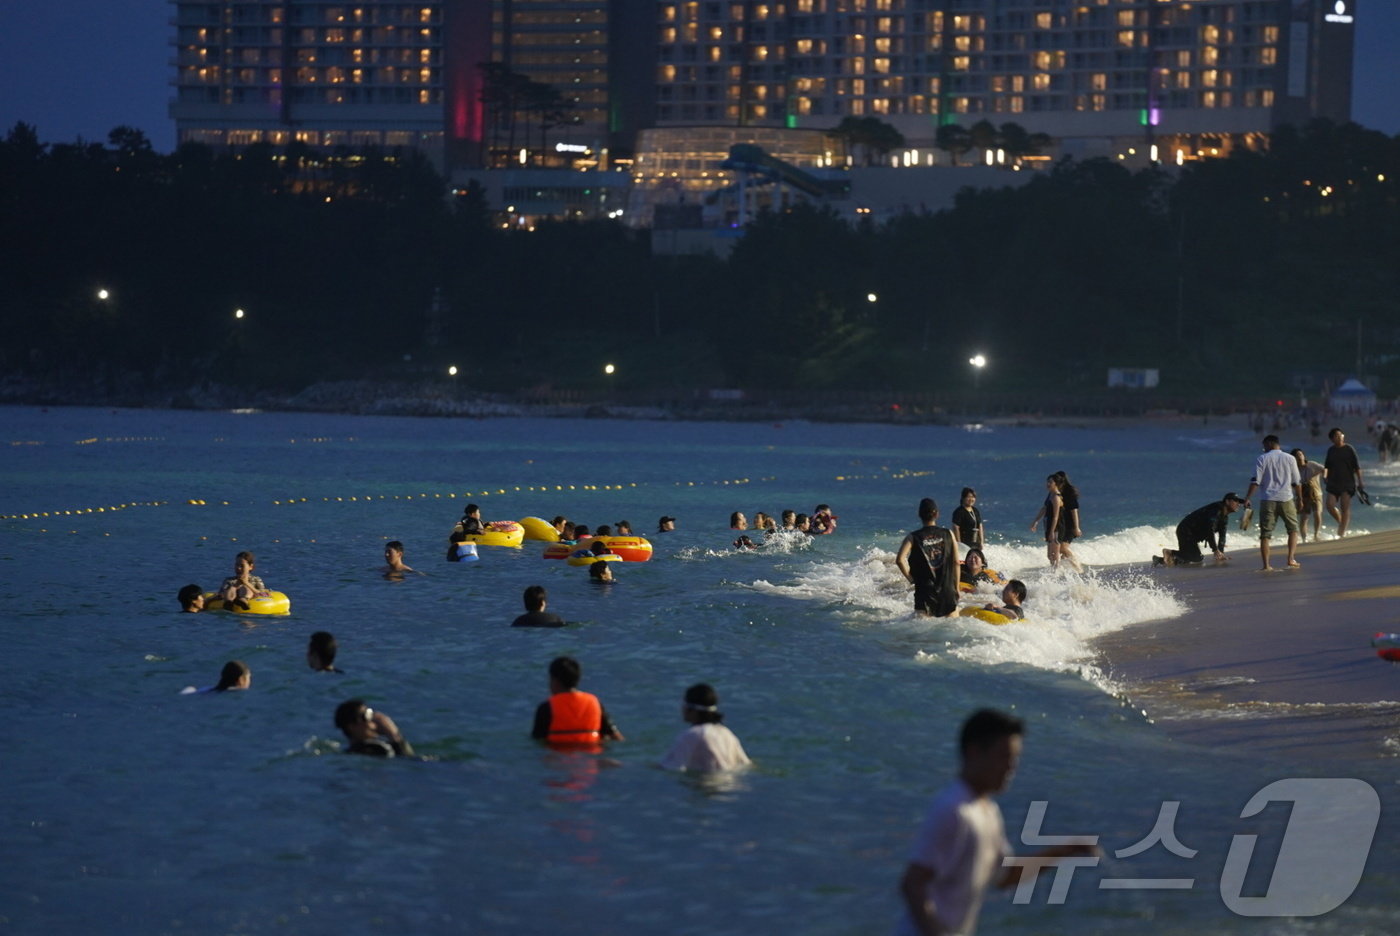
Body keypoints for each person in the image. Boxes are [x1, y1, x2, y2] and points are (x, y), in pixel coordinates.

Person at [895, 709, 1098, 936]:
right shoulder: (952, 810)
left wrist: (1063, 852)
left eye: (1014, 758)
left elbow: (1005, 875)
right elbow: (912, 884)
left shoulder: (988, 812)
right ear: (974, 753)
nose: (1011, 767)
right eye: (1004, 757)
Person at [531, 656, 624, 747]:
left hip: (559, 756)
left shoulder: (546, 707)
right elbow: (616, 736)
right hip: (592, 755)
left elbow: (538, 741)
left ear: (555, 680)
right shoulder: (595, 703)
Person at [659, 683, 752, 773]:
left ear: (691, 709)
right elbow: (744, 764)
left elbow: (672, 768)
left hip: (706, 785)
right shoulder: (727, 733)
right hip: (731, 784)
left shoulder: (691, 735)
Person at [1243, 434, 1303, 570]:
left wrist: (1248, 498)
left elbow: (1255, 481)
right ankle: (1291, 559)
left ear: (1269, 444)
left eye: (1264, 445)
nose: (1263, 449)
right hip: (1286, 499)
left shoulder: (1262, 459)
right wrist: (1300, 499)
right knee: (1293, 530)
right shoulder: (1290, 458)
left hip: (1267, 500)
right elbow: (1297, 482)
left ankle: (1266, 565)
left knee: (1265, 534)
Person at [895, 498, 960, 618]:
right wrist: (956, 588)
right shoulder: (948, 534)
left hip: (924, 592)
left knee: (924, 633)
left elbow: (899, 560)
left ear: (919, 515)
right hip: (947, 590)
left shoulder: (913, 537)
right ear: (937, 514)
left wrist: (911, 579)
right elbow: (956, 562)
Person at [1159, 493, 1243, 566]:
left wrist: (1221, 553)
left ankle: (1159, 560)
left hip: (1191, 534)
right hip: (1185, 530)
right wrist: (1215, 550)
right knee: (1196, 558)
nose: (1238, 504)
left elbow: (1222, 536)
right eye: (1235, 501)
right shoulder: (1216, 510)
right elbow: (1209, 529)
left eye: (1239, 502)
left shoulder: (1224, 518)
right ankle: (1170, 552)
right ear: (1227, 501)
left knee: (1189, 558)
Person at [334, 698, 414, 758]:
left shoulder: (374, 747)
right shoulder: (371, 751)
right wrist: (393, 734)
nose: (373, 722)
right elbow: (409, 761)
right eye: (366, 717)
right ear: (351, 727)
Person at [1323, 427, 1364, 538]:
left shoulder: (1349, 449)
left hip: (1348, 483)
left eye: (1341, 435)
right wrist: (1325, 476)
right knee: (1329, 505)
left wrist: (1360, 481)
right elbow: (1327, 466)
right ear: (1332, 439)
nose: (1340, 437)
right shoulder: (1331, 450)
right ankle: (1342, 524)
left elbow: (1357, 467)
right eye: (1336, 435)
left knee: (1344, 507)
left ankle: (1341, 533)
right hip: (1333, 483)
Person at [1028, 476, 1064, 570]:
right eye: (1047, 482)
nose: (1048, 484)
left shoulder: (1056, 497)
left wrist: (1052, 531)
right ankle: (1054, 571)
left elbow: (1056, 516)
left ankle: (1057, 573)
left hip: (1056, 527)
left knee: (1054, 553)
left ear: (1056, 484)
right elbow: (1044, 508)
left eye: (1050, 482)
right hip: (1048, 526)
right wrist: (1036, 521)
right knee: (1049, 555)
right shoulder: (1050, 495)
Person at [1051, 471, 1084, 572]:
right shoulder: (1055, 493)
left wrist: (1076, 527)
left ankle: (1078, 568)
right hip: (1061, 525)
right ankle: (1071, 570)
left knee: (1063, 548)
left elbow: (1074, 510)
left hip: (1070, 524)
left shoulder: (1069, 493)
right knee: (1060, 549)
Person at [1291, 449, 1325, 543]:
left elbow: (1324, 469)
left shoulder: (1311, 464)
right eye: (1297, 455)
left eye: (1301, 454)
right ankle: (1304, 539)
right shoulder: (1293, 470)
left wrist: (1324, 477)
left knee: (1317, 513)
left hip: (1316, 494)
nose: (1300, 456)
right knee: (1304, 518)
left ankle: (1316, 535)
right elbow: (1292, 484)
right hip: (1302, 496)